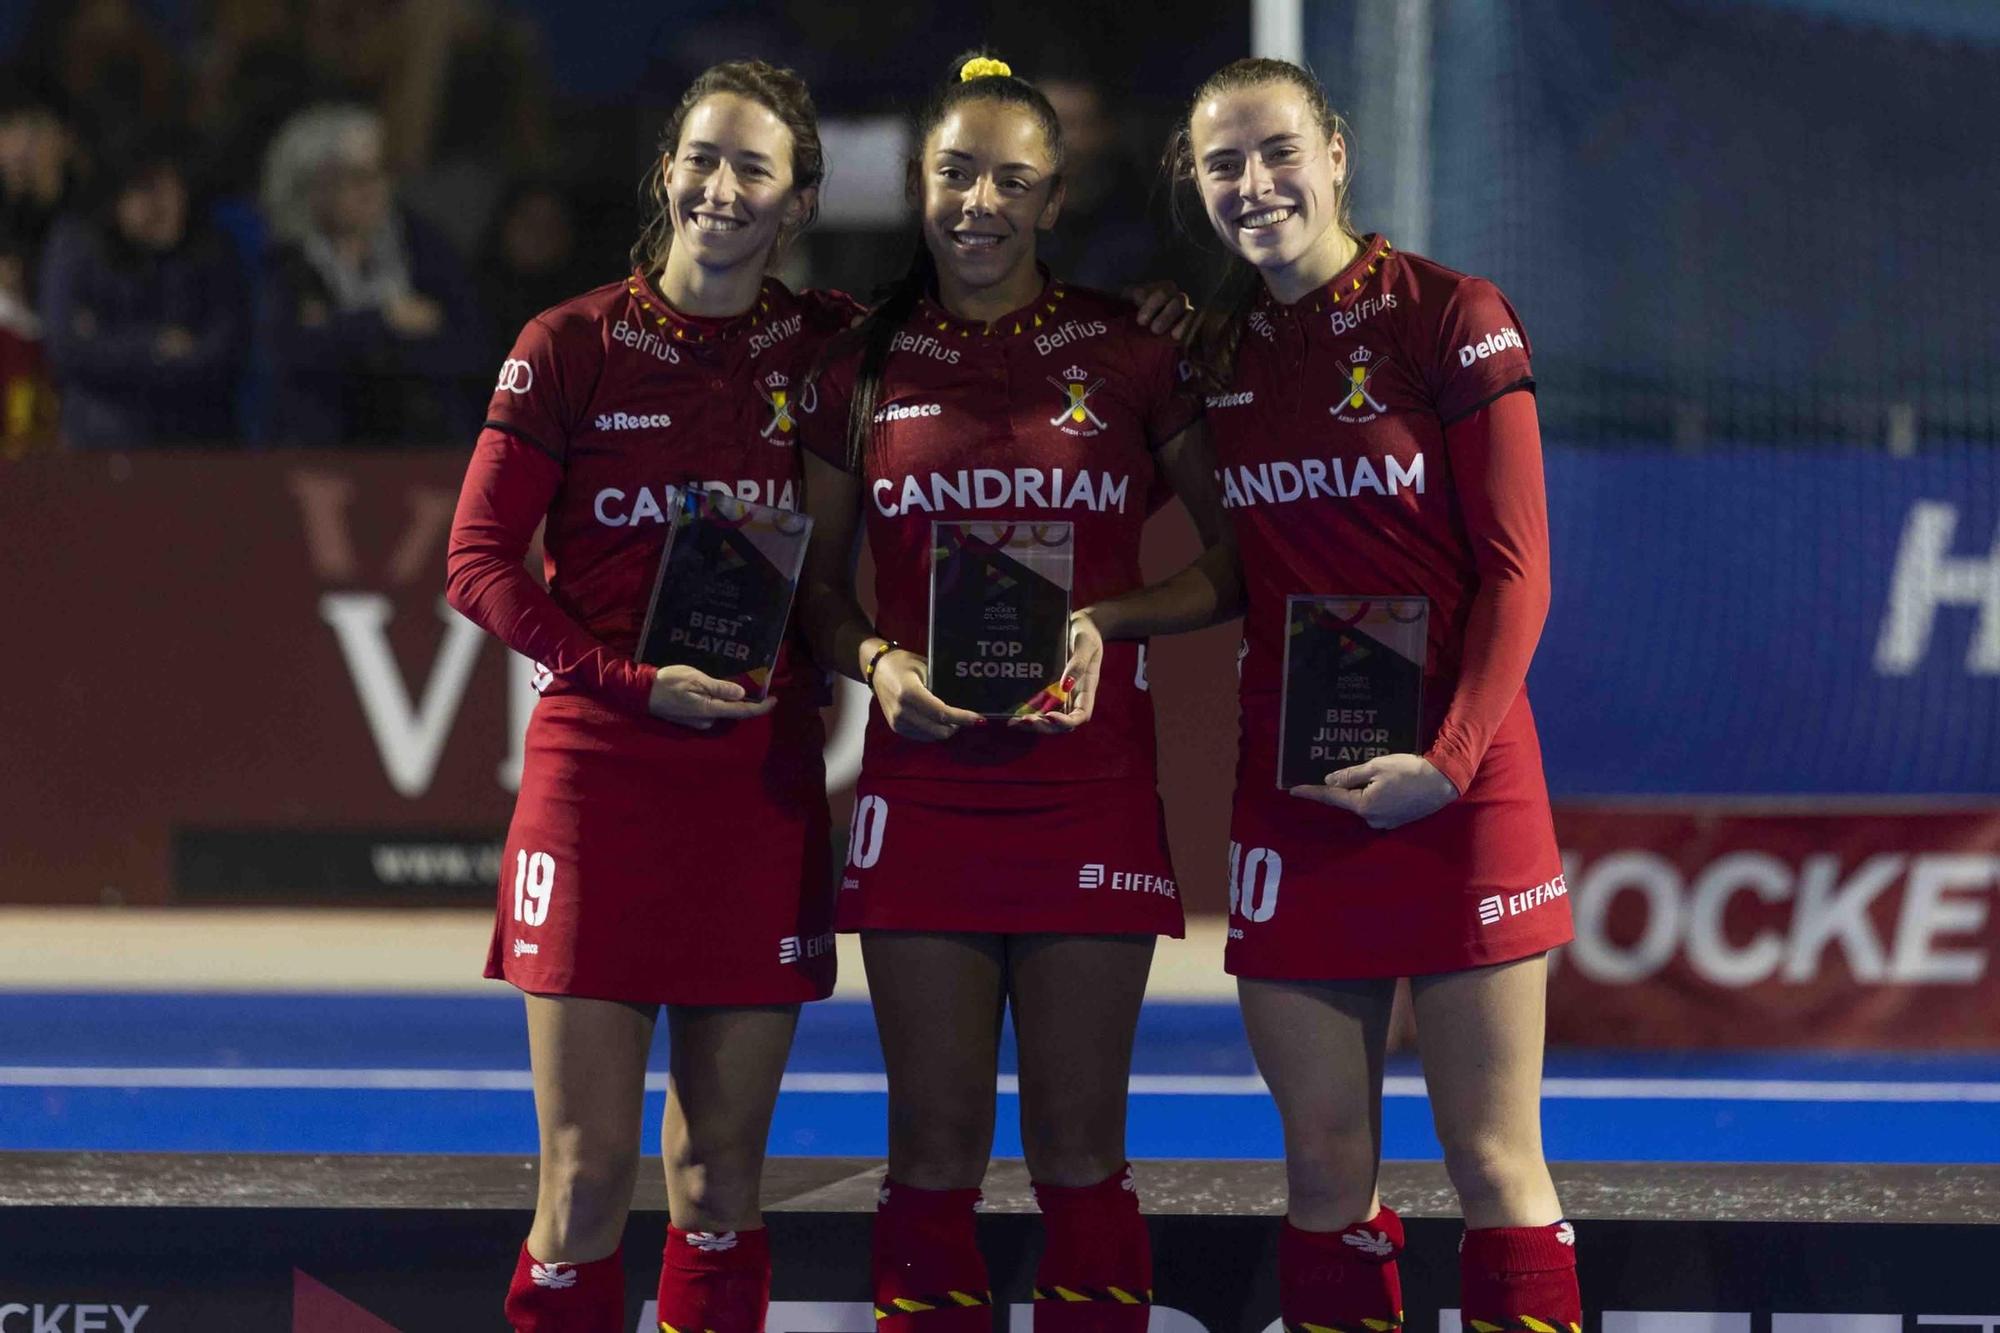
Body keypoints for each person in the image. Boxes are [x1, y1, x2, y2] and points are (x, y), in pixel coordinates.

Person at [1140, 55, 1580, 1329]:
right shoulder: (1212, 349)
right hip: (1295, 802)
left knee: (1493, 1165)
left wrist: (1445, 759)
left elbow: (1516, 573)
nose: (1253, 182)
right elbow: (1197, 546)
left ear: (1334, 153)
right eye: (1222, 163)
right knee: (1324, 1171)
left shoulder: (1451, 313)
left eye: (1277, 150)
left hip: (1460, 786)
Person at [794, 52, 1222, 1333]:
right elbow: (812, 595)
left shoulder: (1135, 350)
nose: (977, 201)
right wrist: (876, 662)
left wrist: (1110, 622)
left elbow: (1241, 556)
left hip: (1085, 796)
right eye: (954, 172)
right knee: (929, 1154)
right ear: (919, 182)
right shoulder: (854, 362)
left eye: (1010, 181)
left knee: (1081, 1152)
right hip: (922, 794)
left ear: (1052, 198)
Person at [443, 60, 856, 1333]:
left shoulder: (830, 345)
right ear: (664, 170)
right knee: (580, 1184)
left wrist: (1166, 319)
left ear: (794, 204)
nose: (719, 188)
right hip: (599, 783)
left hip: (756, 788)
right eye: (701, 158)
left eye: (753, 168)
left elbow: (1000, 319)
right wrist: (625, 680)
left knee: (720, 1183)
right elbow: (475, 563)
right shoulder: (564, 346)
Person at [257, 103, 484, 446]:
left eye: (379, 173)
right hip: (322, 456)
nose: (374, 189)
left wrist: (339, 331)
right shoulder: (284, 261)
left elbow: (471, 347)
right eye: (356, 177)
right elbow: (289, 356)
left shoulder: (423, 244)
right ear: (313, 186)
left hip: (423, 446)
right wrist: (387, 320)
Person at [38, 131, 246, 447]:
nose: (164, 203)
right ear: (117, 197)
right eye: (147, 189)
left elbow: (224, 354)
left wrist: (111, 342)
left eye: (173, 188)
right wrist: (155, 346)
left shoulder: (212, 250)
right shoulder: (77, 247)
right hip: (100, 443)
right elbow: (68, 350)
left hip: (197, 443)